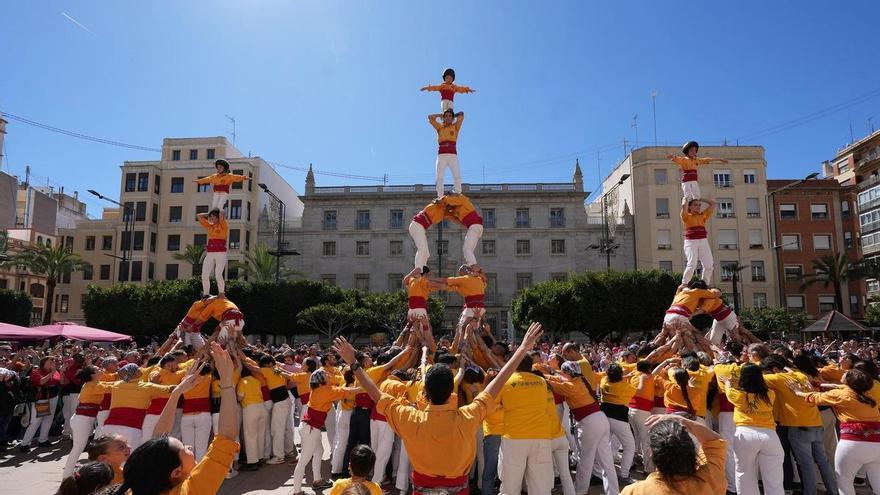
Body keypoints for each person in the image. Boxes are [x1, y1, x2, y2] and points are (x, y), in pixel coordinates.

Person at [333, 322, 544, 495]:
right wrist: (523, 349)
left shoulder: (409, 417)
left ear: (424, 392)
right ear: (452, 391)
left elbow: (375, 393)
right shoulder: (468, 415)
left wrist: (353, 362)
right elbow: (497, 383)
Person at [115, 342, 240, 495]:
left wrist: (177, 393)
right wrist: (227, 381)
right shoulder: (191, 490)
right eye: (184, 449)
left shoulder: (135, 489)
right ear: (176, 472)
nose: (189, 447)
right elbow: (226, 437)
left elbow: (157, 442)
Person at [793, 369, 880, 495]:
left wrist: (798, 392)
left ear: (849, 381)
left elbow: (815, 398)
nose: (843, 373)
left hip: (852, 444)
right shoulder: (869, 398)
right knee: (878, 484)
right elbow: (838, 387)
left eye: (846, 373)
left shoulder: (840, 395)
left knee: (844, 483)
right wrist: (822, 384)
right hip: (876, 444)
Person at [762, 352, 838, 495]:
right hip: (815, 423)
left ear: (775, 369)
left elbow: (752, 376)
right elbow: (791, 372)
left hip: (798, 426)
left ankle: (810, 492)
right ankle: (833, 491)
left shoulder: (777, 378)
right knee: (823, 461)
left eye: (766, 371)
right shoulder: (800, 375)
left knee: (806, 464)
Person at [545, 361, 619, 495]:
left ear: (567, 372)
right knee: (607, 462)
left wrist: (538, 374)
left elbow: (550, 383)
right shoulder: (579, 380)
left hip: (589, 423)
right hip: (600, 419)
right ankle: (613, 492)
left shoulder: (569, 386)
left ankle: (579, 491)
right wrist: (552, 373)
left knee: (585, 460)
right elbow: (559, 378)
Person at [620, 414, 727, 495]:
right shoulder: (708, 479)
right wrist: (683, 420)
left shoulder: (635, 491)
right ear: (690, 449)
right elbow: (715, 441)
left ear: (651, 453)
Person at [721, 363, 783, 495]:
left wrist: (727, 382)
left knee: (744, 474)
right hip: (770, 436)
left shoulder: (738, 395)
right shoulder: (770, 394)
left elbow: (728, 390)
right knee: (774, 479)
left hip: (746, 434)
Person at [289, 369, 353, 494]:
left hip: (311, 428)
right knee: (303, 461)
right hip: (310, 429)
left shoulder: (320, 389)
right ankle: (297, 491)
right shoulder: (325, 391)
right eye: (325, 375)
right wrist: (365, 387)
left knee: (319, 451)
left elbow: (337, 385)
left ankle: (317, 481)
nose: (328, 375)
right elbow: (348, 391)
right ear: (321, 381)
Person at [101, 363, 176, 450]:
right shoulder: (147, 386)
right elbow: (170, 389)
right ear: (135, 373)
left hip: (109, 426)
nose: (140, 369)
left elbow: (100, 385)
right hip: (132, 428)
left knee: (107, 455)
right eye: (138, 369)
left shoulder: (115, 385)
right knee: (130, 455)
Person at [63, 366, 104, 478]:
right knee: (77, 449)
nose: (101, 370)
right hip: (82, 420)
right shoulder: (93, 385)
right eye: (98, 370)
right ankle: (66, 477)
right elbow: (112, 388)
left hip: (81, 419)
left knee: (77, 448)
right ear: (92, 375)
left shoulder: (93, 384)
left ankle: (68, 475)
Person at [600, 362, 637, 484]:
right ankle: (624, 475)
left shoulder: (604, 381)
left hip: (604, 416)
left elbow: (610, 379)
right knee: (629, 446)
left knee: (605, 444)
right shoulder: (625, 387)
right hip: (619, 419)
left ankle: (601, 470)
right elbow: (638, 390)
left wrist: (624, 376)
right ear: (620, 375)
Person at [19, 355, 61, 452]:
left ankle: (43, 440)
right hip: (42, 399)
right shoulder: (36, 371)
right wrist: (51, 373)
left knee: (48, 419)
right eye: (51, 361)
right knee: (36, 421)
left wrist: (54, 372)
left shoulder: (55, 371)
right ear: (44, 362)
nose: (53, 363)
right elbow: (41, 382)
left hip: (53, 397)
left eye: (54, 361)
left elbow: (58, 381)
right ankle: (25, 444)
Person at [179, 364, 213, 462]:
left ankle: (188, 468)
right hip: (203, 415)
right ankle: (199, 470)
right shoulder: (208, 378)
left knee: (188, 448)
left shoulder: (184, 380)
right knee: (201, 447)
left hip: (186, 416)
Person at [627, 360, 656, 473]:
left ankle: (631, 463)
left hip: (632, 409)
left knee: (635, 438)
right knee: (645, 440)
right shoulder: (644, 376)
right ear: (648, 369)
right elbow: (639, 390)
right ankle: (648, 469)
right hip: (641, 410)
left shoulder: (634, 374)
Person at [428, 109, 464, 198]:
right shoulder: (439, 127)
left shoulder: (455, 127)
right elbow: (430, 118)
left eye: (450, 116)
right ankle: (440, 196)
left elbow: (461, 115)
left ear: (452, 118)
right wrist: (440, 115)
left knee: (457, 175)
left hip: (453, 155)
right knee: (439, 177)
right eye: (446, 116)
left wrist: (454, 115)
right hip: (441, 155)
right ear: (443, 118)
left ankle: (457, 192)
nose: (448, 118)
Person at [236, 367, 267, 471]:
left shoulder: (242, 381)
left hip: (250, 408)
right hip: (262, 407)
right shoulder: (256, 381)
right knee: (260, 434)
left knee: (250, 436)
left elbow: (240, 397)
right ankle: (260, 457)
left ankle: (253, 462)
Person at [443, 193, 484, 265]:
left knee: (467, 249)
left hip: (475, 226)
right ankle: (472, 266)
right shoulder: (456, 209)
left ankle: (474, 267)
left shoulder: (462, 199)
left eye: (451, 195)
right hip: (474, 227)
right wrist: (446, 210)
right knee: (467, 250)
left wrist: (441, 200)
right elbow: (450, 217)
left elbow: (448, 200)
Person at [680, 198, 715, 285]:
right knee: (692, 264)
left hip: (703, 241)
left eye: (699, 205)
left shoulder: (703, 215)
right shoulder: (686, 216)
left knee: (709, 264)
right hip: (691, 242)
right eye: (695, 205)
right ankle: (684, 283)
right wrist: (686, 200)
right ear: (690, 207)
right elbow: (684, 206)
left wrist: (699, 198)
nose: (698, 207)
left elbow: (713, 204)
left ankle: (704, 283)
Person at [197, 208, 229, 298]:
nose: (211, 218)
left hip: (221, 253)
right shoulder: (209, 226)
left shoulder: (223, 225)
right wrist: (209, 214)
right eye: (210, 217)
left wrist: (217, 212)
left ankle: (221, 293)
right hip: (210, 253)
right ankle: (206, 294)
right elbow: (198, 216)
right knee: (204, 275)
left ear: (218, 217)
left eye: (213, 216)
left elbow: (222, 213)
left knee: (218, 274)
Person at [408, 198, 447, 269]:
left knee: (426, 253)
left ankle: (423, 269)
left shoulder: (440, 210)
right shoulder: (434, 206)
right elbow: (441, 200)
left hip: (419, 227)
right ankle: (418, 270)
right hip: (417, 225)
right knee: (422, 250)